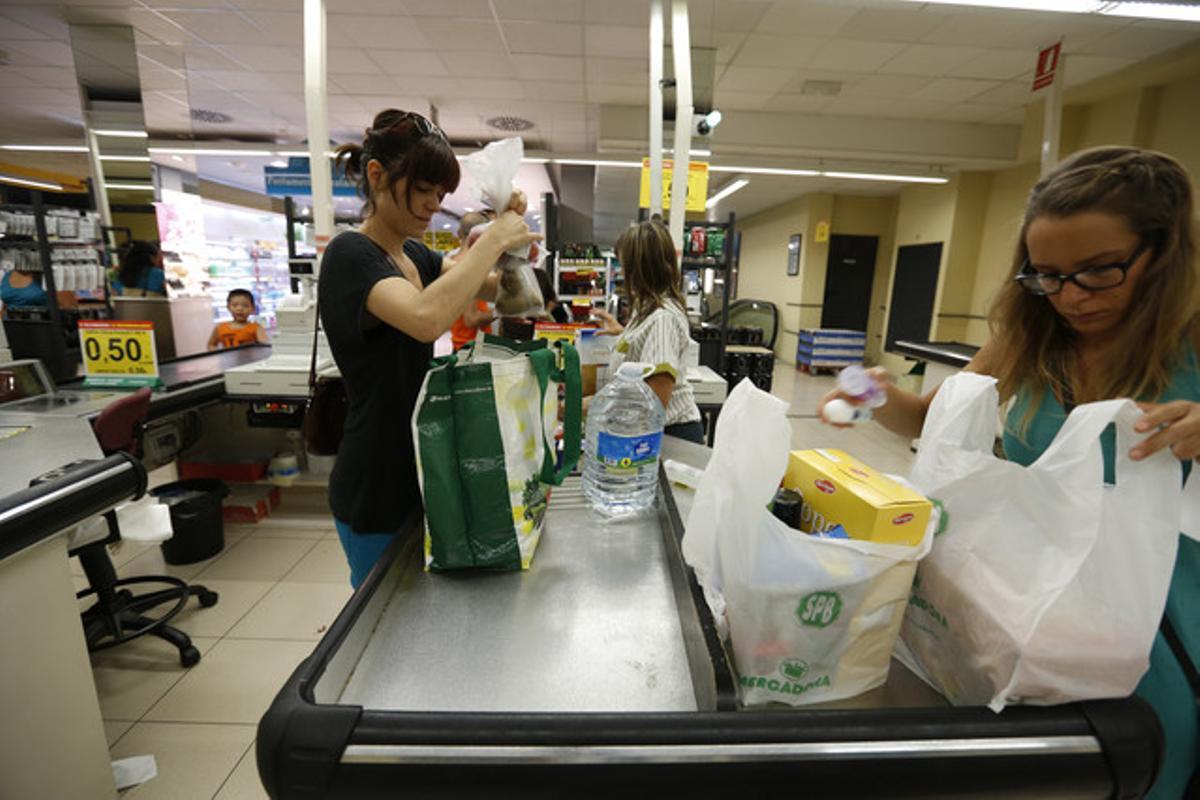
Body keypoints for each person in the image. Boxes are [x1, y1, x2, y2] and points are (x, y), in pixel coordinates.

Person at [818, 146, 1198, 798]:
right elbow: (927, 423)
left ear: (1162, 253)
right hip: (1030, 610)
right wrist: (869, 392)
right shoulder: (1028, 337)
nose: (1070, 297)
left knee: (1138, 768)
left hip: (1157, 625)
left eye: (1098, 271)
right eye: (1047, 275)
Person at [320, 108, 538, 588]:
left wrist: (511, 238)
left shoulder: (414, 253)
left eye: (439, 195)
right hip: (375, 481)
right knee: (379, 618)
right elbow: (426, 319)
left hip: (421, 467)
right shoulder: (350, 256)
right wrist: (491, 238)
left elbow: (489, 289)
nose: (431, 204)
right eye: (422, 190)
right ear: (377, 176)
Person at [592, 220, 704, 444]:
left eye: (624, 264)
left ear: (640, 267)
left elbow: (653, 402)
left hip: (670, 436)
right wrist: (621, 333)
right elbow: (645, 350)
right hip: (654, 433)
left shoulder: (662, 317)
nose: (622, 272)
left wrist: (591, 405)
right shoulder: (647, 308)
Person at [448, 210, 496, 351]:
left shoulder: (450, 262)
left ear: (458, 233)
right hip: (472, 348)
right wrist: (503, 311)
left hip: (460, 344)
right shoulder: (471, 265)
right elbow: (471, 319)